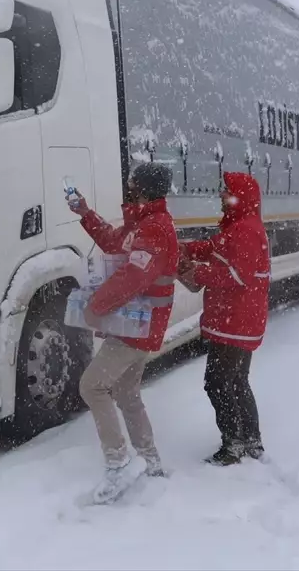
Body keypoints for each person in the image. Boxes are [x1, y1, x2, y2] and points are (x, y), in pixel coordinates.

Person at [67, 162, 178, 502]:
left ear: (142, 188)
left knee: (92, 386)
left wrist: (96, 305)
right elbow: (113, 243)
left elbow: (134, 275)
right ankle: (150, 459)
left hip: (137, 326)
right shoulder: (142, 222)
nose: (127, 186)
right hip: (134, 321)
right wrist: (85, 212)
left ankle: (118, 463)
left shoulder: (156, 227)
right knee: (127, 393)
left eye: (132, 183)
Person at [178, 171, 271, 466]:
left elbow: (236, 274)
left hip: (234, 323)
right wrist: (191, 249)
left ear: (240, 197)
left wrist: (198, 272)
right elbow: (217, 246)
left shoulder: (244, 230)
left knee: (217, 383)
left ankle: (233, 444)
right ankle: (251, 439)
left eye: (227, 191)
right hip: (239, 321)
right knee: (237, 381)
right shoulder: (241, 226)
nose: (221, 195)